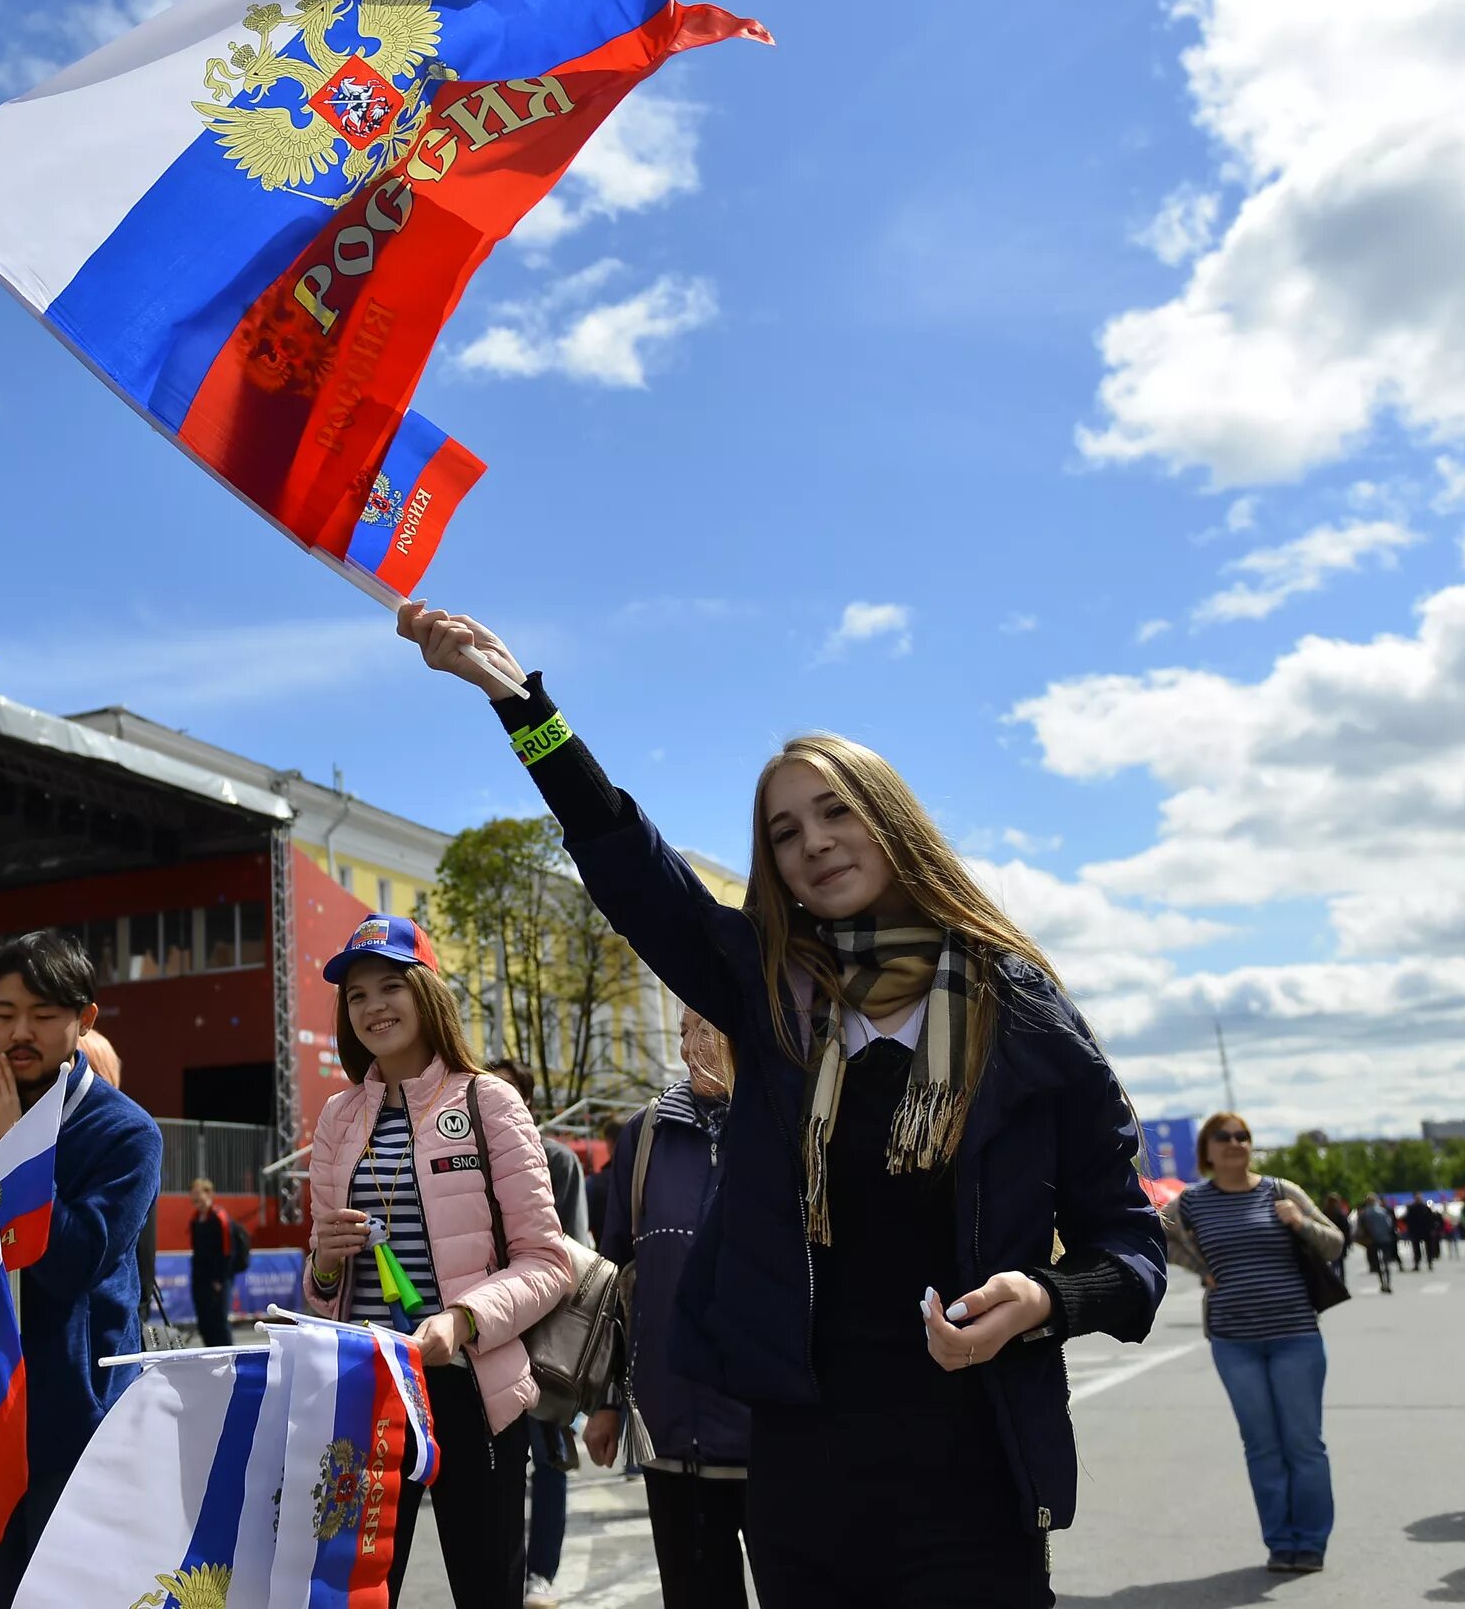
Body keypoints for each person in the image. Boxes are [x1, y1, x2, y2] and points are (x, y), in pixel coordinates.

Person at [401, 604, 1165, 1609]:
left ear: (892, 819)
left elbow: (1133, 1252)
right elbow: (635, 869)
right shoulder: (773, 994)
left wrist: (1046, 1300)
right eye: (785, 829)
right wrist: (520, 702)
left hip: (975, 1464)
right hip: (803, 1468)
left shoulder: (1020, 1013)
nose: (815, 841)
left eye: (837, 810)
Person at [306, 914, 573, 1609]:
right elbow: (321, 1282)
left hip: (468, 1385)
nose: (372, 1007)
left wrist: (461, 1320)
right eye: (356, 995)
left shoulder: (489, 1101)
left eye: (390, 985)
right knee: (355, 1596)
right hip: (366, 1389)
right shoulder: (337, 1117)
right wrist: (326, 1266)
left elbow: (548, 1261)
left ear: (426, 993)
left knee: (487, 1588)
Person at [0, 930, 162, 1609]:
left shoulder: (125, 1132)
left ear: (85, 1021)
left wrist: (16, 1150)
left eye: (44, 1016)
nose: (20, 1032)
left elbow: (73, 1265)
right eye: (5, 1012)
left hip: (77, 1418)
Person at [587, 1009, 752, 1609]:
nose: (692, 1045)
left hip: (779, 1434)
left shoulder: (787, 1119)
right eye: (683, 1031)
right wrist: (606, 1403)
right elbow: (616, 1274)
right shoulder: (648, 1132)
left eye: (706, 1027)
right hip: (672, 1429)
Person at [1160, 1115, 1343, 1573]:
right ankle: (1281, 1543)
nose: (1236, 1144)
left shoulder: (1281, 1191)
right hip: (1233, 1339)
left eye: (1243, 1137)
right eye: (1225, 1137)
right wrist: (1198, 1267)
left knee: (1304, 1444)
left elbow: (1336, 1244)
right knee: (1261, 1445)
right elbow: (1158, 1237)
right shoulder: (1193, 1202)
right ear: (1207, 1149)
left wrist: (1300, 1224)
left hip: (1295, 1335)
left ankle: (1312, 1543)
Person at [490, 1054, 587, 1609]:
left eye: (505, 1094)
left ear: (525, 1103)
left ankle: (541, 1572)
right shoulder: (466, 1157)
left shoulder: (557, 1161)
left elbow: (572, 1254)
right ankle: (506, 1569)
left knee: (549, 1459)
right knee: (497, 1464)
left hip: (546, 1341)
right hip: (487, 1336)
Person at [186, 1176, 247, 1347]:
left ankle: (226, 1357)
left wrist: (220, 1280)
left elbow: (228, 1252)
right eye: (193, 1194)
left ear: (209, 1194)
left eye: (198, 1194)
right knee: (204, 1321)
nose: (195, 1198)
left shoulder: (219, 1218)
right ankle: (210, 1356)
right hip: (200, 1277)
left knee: (219, 1321)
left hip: (219, 1278)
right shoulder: (195, 1219)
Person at [1355, 1193, 1398, 1294]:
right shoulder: (1383, 1211)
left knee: (1377, 1263)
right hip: (1385, 1239)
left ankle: (1382, 1283)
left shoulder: (1364, 1213)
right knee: (1386, 1262)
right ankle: (1388, 1282)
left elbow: (1359, 1228)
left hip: (1372, 1240)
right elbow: (1389, 1225)